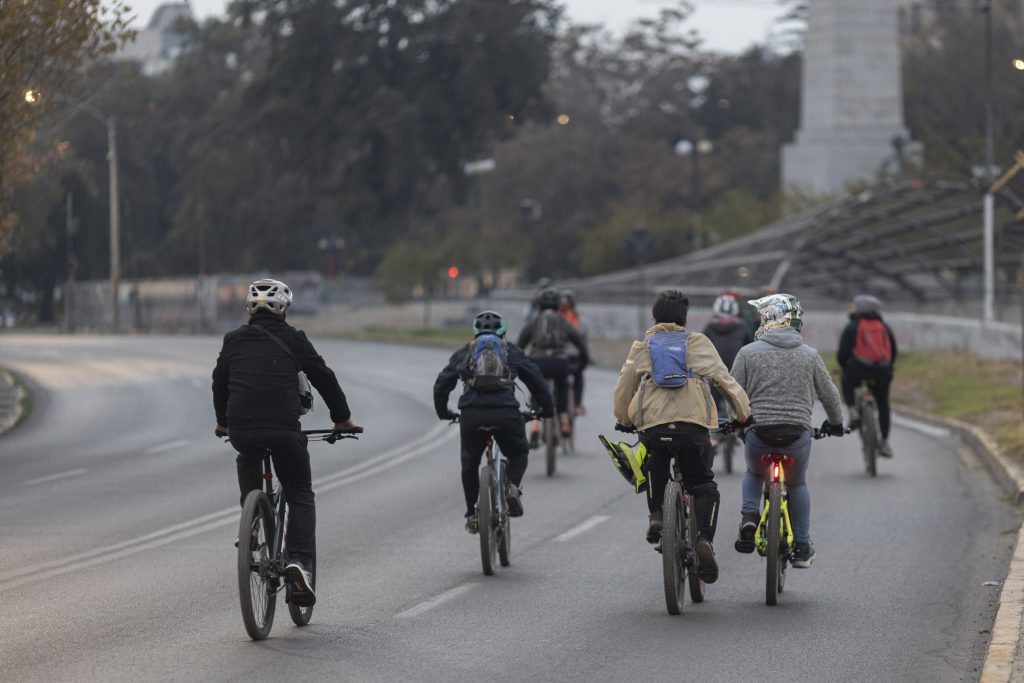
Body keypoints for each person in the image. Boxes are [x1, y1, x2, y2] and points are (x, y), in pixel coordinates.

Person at [213, 278, 360, 607]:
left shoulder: (233, 340)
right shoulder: (294, 339)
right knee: (300, 494)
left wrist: (223, 421)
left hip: (242, 430)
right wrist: (342, 419)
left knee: (246, 455)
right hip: (283, 432)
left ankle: (251, 524)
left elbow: (219, 383)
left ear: (250, 309)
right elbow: (323, 377)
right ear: (284, 309)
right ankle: (299, 562)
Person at [613, 290, 751, 584]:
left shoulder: (643, 347)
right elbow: (724, 380)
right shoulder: (698, 343)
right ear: (685, 320)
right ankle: (703, 539)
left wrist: (624, 419)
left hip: (654, 427)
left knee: (654, 463)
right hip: (692, 428)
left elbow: (624, 386)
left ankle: (657, 516)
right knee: (703, 486)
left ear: (654, 318)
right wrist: (742, 415)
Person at [730, 293, 845, 568]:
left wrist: (737, 420)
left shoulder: (747, 353)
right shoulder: (811, 356)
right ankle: (802, 546)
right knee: (797, 483)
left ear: (768, 318)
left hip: (759, 433)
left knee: (754, 472)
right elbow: (829, 395)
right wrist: (837, 424)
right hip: (796, 436)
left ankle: (749, 516)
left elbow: (732, 390)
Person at [434, 310, 554, 533]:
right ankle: (512, 488)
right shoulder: (512, 352)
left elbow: (442, 384)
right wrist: (545, 411)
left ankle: (472, 515)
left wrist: (444, 412)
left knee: (469, 465)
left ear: (474, 332)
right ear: (504, 333)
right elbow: (537, 382)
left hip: (471, 414)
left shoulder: (465, 353)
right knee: (519, 452)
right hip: (506, 413)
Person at [517, 287, 589, 443]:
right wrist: (583, 362)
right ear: (557, 305)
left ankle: (535, 423)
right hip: (559, 362)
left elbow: (520, 345)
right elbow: (580, 344)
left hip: (538, 362)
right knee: (562, 386)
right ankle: (564, 421)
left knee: (536, 388)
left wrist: (519, 364)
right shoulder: (562, 321)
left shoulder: (534, 321)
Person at [837, 294, 897, 457]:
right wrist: (889, 369)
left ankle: (853, 410)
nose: (851, 309)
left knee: (846, 380)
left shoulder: (853, 326)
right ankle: (884, 442)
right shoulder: (884, 326)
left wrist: (844, 367)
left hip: (858, 370)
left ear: (860, 308)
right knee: (883, 404)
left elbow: (843, 353)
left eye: (854, 306)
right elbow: (893, 351)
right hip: (882, 372)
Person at [702, 293, 754, 417]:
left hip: (713, 377)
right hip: (735, 378)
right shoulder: (742, 327)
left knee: (709, 413)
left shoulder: (709, 328)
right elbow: (751, 351)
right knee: (739, 412)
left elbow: (701, 352)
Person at [558, 289, 588, 415]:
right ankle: (578, 404)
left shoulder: (556, 317)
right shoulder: (578, 319)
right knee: (579, 374)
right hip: (575, 355)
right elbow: (583, 338)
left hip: (559, 355)